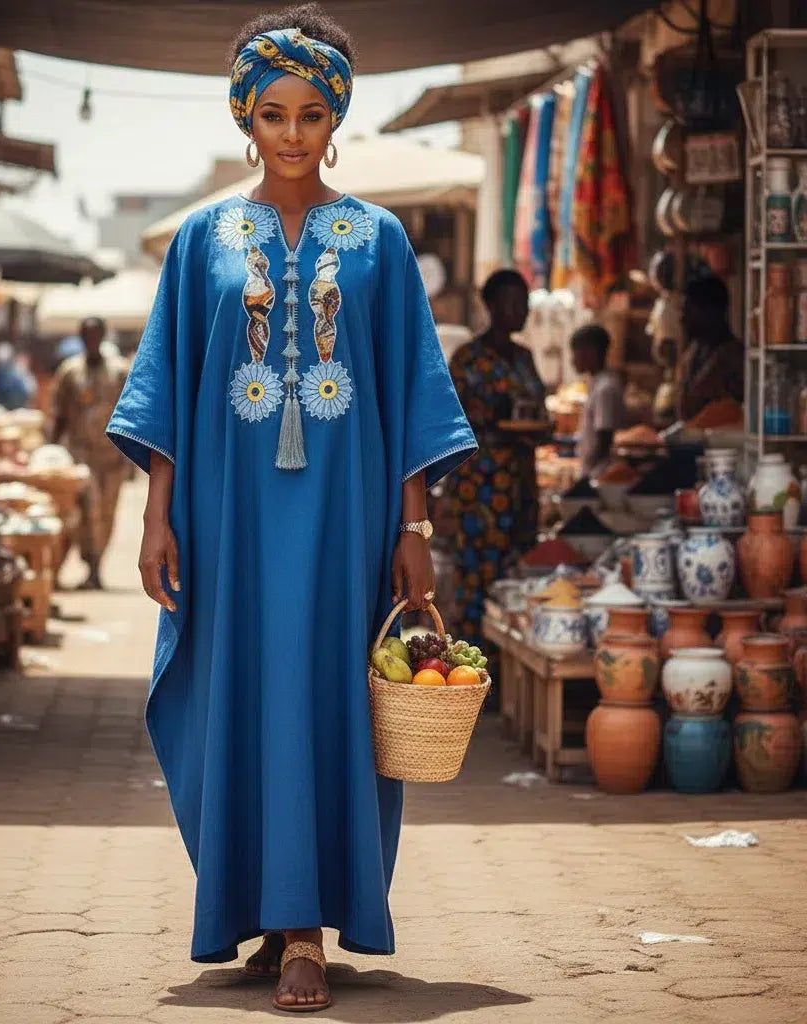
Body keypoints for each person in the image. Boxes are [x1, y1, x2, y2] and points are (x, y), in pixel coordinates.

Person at [105, 4, 476, 1013]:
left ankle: (308, 931)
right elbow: (170, 387)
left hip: (345, 519)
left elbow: (406, 391)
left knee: (320, 695)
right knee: (240, 693)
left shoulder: (380, 241)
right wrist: (156, 516)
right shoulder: (200, 239)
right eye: (273, 113)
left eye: (314, 113)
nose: (294, 134)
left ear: (337, 117)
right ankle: (269, 912)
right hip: (229, 518)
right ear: (244, 118)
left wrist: (413, 528)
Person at [441, 269, 546, 646]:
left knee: (516, 579)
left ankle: (512, 673)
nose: (520, 311)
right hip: (479, 490)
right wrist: (494, 422)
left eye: (525, 303)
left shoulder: (525, 359)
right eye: (512, 303)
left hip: (520, 485)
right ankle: (475, 673)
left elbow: (538, 414)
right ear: (491, 305)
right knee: (476, 582)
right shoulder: (468, 359)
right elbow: (448, 421)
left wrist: (536, 426)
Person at [52, 316, 131, 590]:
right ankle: (89, 563)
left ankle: (97, 567)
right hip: (81, 455)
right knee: (86, 513)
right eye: (87, 335)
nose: (92, 340)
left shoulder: (119, 371)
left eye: (96, 335)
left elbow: (132, 412)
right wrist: (52, 447)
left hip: (111, 457)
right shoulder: (70, 371)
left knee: (107, 513)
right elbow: (59, 412)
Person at [678, 274, 744, 422]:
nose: (682, 318)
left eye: (689, 310)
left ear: (712, 311)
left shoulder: (735, 358)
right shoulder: (691, 355)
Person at [571, 324, 625, 479]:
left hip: (600, 474)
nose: (572, 360)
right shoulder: (599, 383)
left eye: (575, 353)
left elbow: (604, 438)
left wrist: (586, 473)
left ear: (589, 353)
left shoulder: (605, 388)